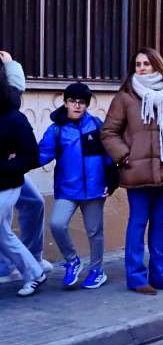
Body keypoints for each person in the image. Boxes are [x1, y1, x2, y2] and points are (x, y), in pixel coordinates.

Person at [101, 48, 163, 295]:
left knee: (160, 224)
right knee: (138, 223)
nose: (141, 68)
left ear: (157, 67)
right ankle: (136, 277)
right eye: (138, 64)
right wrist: (125, 156)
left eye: (146, 64)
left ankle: (162, 275)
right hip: (137, 172)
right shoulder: (125, 97)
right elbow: (108, 132)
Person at [38, 82, 112, 290]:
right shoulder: (57, 129)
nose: (77, 106)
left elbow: (108, 155)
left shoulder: (96, 125)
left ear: (87, 105)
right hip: (67, 189)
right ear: (65, 102)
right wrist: (20, 160)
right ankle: (72, 260)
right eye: (73, 101)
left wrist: (111, 181)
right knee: (57, 224)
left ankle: (97, 270)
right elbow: (42, 153)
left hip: (95, 188)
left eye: (82, 102)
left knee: (94, 231)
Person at [0, 50, 52, 283]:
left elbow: (15, 90)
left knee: (34, 203)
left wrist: (10, 64)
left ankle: (33, 259)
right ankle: (7, 267)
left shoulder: (10, 109)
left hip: (7, 167)